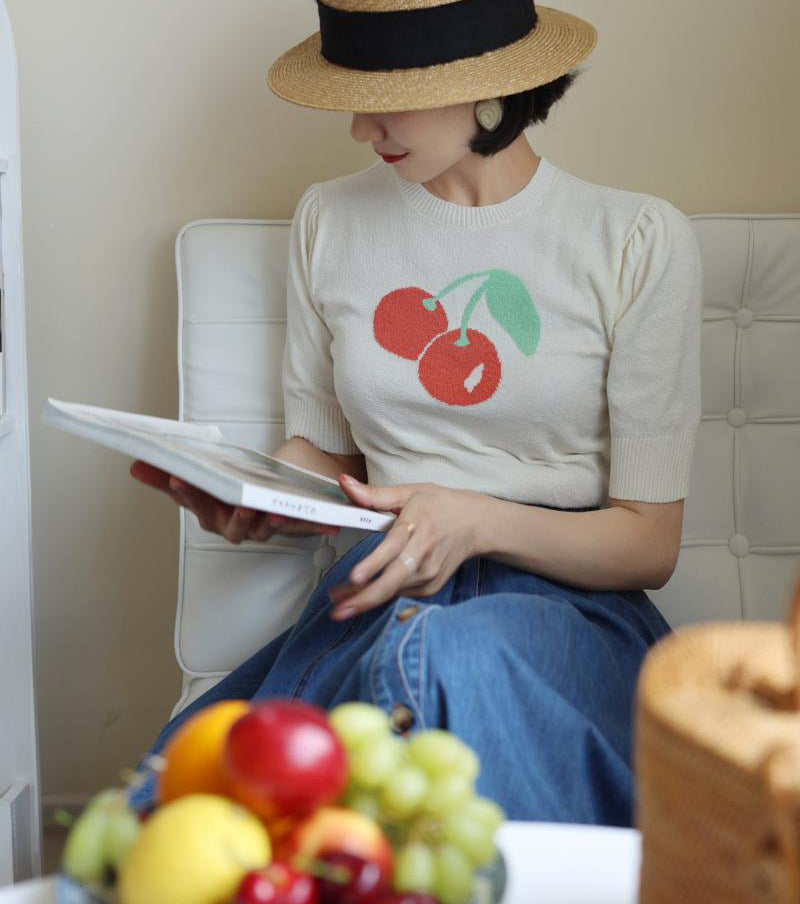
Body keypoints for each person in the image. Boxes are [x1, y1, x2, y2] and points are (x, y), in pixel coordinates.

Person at [128, 0, 702, 824]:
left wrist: (475, 520)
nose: (363, 128)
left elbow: (651, 539)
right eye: (351, 96)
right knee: (179, 808)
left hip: (570, 607)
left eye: (385, 94)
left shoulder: (636, 239)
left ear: (486, 90)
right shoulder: (330, 217)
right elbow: (331, 457)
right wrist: (257, 496)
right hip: (375, 592)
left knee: (447, 665)